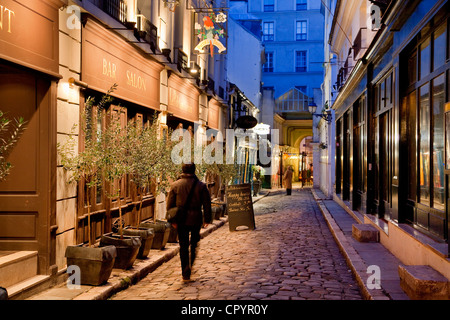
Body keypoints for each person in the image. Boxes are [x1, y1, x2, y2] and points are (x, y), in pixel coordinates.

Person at [166, 163, 212, 281]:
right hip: (196, 218)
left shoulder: (175, 185)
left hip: (181, 219)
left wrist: (172, 220)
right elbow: (207, 204)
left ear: (182, 170)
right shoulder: (201, 186)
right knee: (194, 243)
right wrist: (207, 219)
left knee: (183, 245)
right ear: (194, 170)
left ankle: (185, 270)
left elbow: (170, 205)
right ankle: (190, 264)